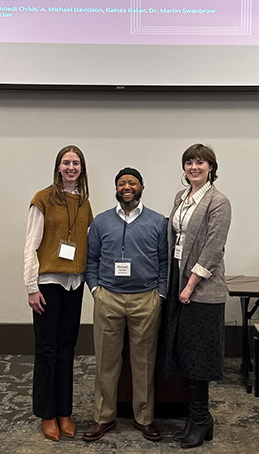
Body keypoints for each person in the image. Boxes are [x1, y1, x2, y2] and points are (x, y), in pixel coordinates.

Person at [82, 168, 168, 443]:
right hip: (109, 298)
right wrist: (96, 290)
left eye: (131, 182)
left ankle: (144, 418)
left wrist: (160, 296)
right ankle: (103, 418)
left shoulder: (158, 222)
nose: (126, 187)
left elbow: (165, 263)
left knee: (144, 362)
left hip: (146, 299)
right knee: (106, 361)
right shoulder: (101, 222)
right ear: (116, 189)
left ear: (142, 186)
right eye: (121, 183)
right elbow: (90, 259)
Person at [23, 145, 93, 441]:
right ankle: (47, 414)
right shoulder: (43, 199)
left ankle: (65, 412)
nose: (71, 167)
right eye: (66, 162)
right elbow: (31, 244)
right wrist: (31, 287)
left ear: (82, 168)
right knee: (47, 350)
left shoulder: (84, 203)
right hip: (48, 284)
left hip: (74, 284)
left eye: (76, 163)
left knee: (67, 349)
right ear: (58, 167)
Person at [164, 144, 231, 449]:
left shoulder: (218, 202)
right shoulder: (182, 198)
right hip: (179, 281)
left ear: (211, 167)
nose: (194, 167)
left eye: (200, 162)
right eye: (189, 162)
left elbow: (213, 249)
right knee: (185, 352)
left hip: (202, 289)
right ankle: (197, 417)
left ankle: (201, 418)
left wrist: (189, 286)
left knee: (199, 356)